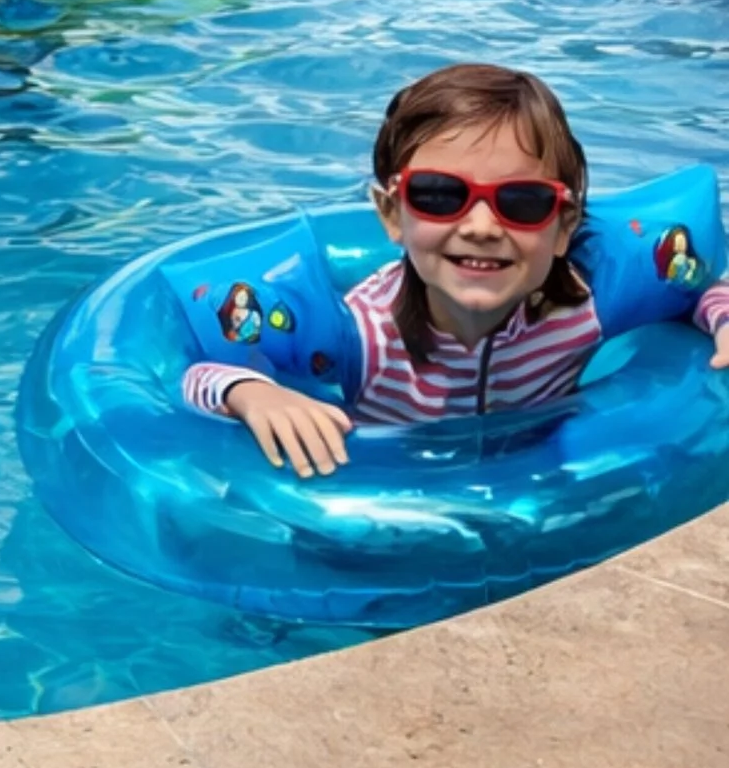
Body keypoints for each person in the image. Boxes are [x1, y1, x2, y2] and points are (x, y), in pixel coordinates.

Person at [184, 62, 729, 478]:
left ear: (563, 228)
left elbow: (692, 292)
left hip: (535, 482)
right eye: (440, 195)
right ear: (392, 214)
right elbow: (197, 373)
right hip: (394, 499)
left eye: (522, 201)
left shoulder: (584, 308)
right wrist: (252, 392)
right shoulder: (364, 336)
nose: (483, 226)